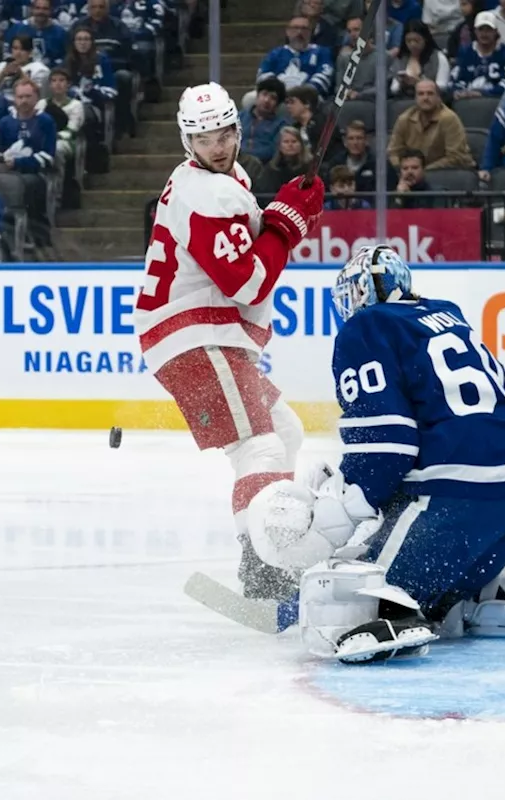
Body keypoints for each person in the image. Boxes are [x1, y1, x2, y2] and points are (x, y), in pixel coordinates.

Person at [244, 246, 505, 664]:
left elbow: (386, 447)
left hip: (459, 496)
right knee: (446, 591)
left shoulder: (367, 327)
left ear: (365, 292)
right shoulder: (448, 315)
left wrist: (348, 505)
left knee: (358, 590)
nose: (349, 309)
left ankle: (367, 610)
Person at [133, 83, 322, 600]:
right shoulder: (207, 191)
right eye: (204, 137)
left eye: (224, 134)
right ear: (186, 141)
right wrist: (287, 228)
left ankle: (263, 549)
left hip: (200, 333)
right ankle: (262, 565)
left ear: (237, 131)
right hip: (191, 336)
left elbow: (246, 248)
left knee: (284, 431)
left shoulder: (223, 178)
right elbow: (249, 282)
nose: (217, 146)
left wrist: (284, 214)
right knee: (258, 447)